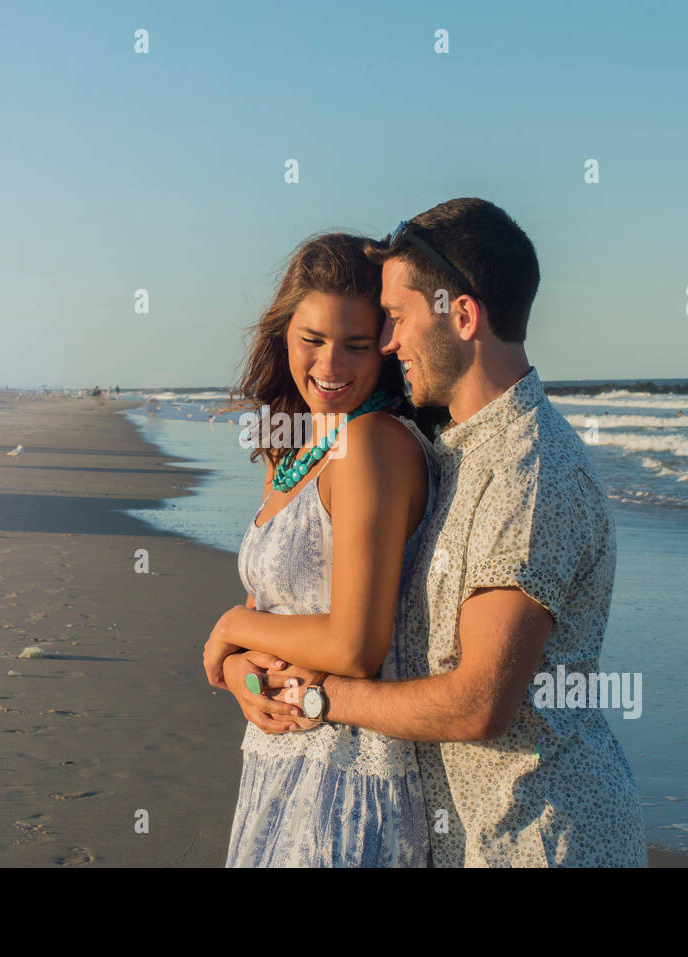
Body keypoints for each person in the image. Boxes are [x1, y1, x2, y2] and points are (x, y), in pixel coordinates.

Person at [223, 198, 648, 867]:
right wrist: (248, 664)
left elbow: (478, 704)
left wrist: (312, 694)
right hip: (467, 835)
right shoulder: (453, 447)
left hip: (538, 839)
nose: (387, 342)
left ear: (464, 315)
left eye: (393, 321)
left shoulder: (528, 475)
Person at [204, 232, 441, 867]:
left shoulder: (372, 444)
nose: (331, 366)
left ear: (385, 347)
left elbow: (353, 645)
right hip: (277, 766)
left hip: (348, 780)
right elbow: (270, 617)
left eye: (357, 345)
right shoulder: (296, 449)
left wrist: (228, 628)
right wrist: (236, 671)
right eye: (312, 340)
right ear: (283, 335)